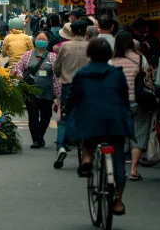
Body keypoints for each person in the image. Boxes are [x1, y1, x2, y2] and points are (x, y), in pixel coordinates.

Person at [66, 37, 133, 214]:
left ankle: (87, 159)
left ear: (90, 54)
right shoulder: (117, 73)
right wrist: (126, 111)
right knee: (119, 161)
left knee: (88, 141)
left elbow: (72, 98)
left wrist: (67, 111)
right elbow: (124, 98)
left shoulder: (82, 74)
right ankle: (118, 202)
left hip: (91, 119)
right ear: (109, 54)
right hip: (115, 121)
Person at [111, 31, 153, 181]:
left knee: (119, 135)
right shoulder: (141, 58)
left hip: (118, 104)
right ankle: (134, 169)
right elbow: (147, 79)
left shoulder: (112, 60)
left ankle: (119, 168)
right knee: (139, 134)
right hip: (138, 102)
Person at [52, 19, 90, 169]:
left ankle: (62, 146)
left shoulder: (65, 47)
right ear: (86, 31)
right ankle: (86, 148)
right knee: (86, 115)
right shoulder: (90, 46)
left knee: (66, 117)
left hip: (68, 85)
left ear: (72, 32)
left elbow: (57, 68)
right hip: (87, 86)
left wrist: (63, 73)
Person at [14, 31, 61, 148]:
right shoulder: (27, 55)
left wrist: (58, 94)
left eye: (44, 39)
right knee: (33, 115)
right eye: (39, 38)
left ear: (48, 42)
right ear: (34, 40)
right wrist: (19, 74)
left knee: (46, 116)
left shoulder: (52, 56)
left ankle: (40, 135)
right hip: (31, 91)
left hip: (47, 92)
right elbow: (17, 68)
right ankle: (36, 139)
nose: (41, 41)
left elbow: (56, 75)